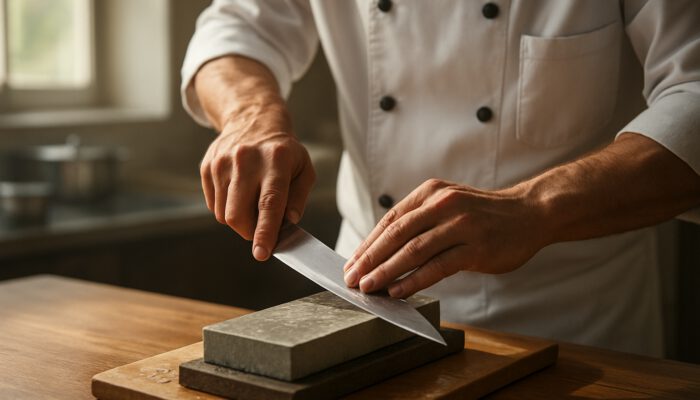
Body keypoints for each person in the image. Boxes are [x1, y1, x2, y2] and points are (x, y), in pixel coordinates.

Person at [181, 0, 700, 357]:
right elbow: (237, 26)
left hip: (572, 322)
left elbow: (694, 96)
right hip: (365, 302)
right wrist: (251, 113)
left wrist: (535, 207)